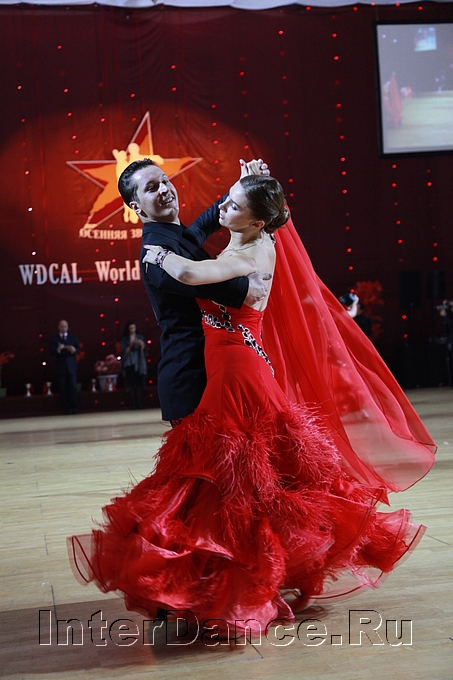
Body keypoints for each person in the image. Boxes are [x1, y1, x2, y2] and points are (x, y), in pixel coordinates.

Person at [69, 175, 435, 636]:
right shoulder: (232, 241)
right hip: (211, 370)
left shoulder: (218, 251)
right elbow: (203, 241)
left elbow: (194, 271)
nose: (221, 208)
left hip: (233, 369)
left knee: (230, 481)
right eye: (151, 188)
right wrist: (240, 191)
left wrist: (162, 254)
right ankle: (206, 577)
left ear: (257, 220)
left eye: (233, 204)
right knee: (229, 480)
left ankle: (219, 579)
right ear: (137, 208)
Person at [118, 157, 271, 426]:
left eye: (165, 181)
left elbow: (208, 220)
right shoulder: (154, 252)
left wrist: (244, 186)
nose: (164, 189)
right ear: (136, 207)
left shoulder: (175, 233)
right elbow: (197, 283)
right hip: (189, 377)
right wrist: (244, 289)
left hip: (211, 368)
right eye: (152, 188)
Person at [50, 320, 80, 414]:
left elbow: (78, 349)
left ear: (67, 327)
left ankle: (74, 407)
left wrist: (74, 350)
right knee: (63, 387)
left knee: (72, 386)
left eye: (65, 327)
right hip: (61, 366)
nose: (63, 328)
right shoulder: (54, 339)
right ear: (58, 327)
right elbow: (51, 352)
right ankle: (66, 408)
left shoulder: (73, 337)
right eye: (62, 327)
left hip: (71, 365)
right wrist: (58, 350)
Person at [120, 321, 147, 409]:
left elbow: (144, 349)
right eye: (130, 328)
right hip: (129, 363)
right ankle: (133, 403)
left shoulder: (140, 337)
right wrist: (131, 345)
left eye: (133, 328)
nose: (132, 329)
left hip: (139, 362)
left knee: (139, 383)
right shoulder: (125, 339)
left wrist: (141, 345)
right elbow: (124, 351)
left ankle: (139, 403)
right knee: (131, 383)